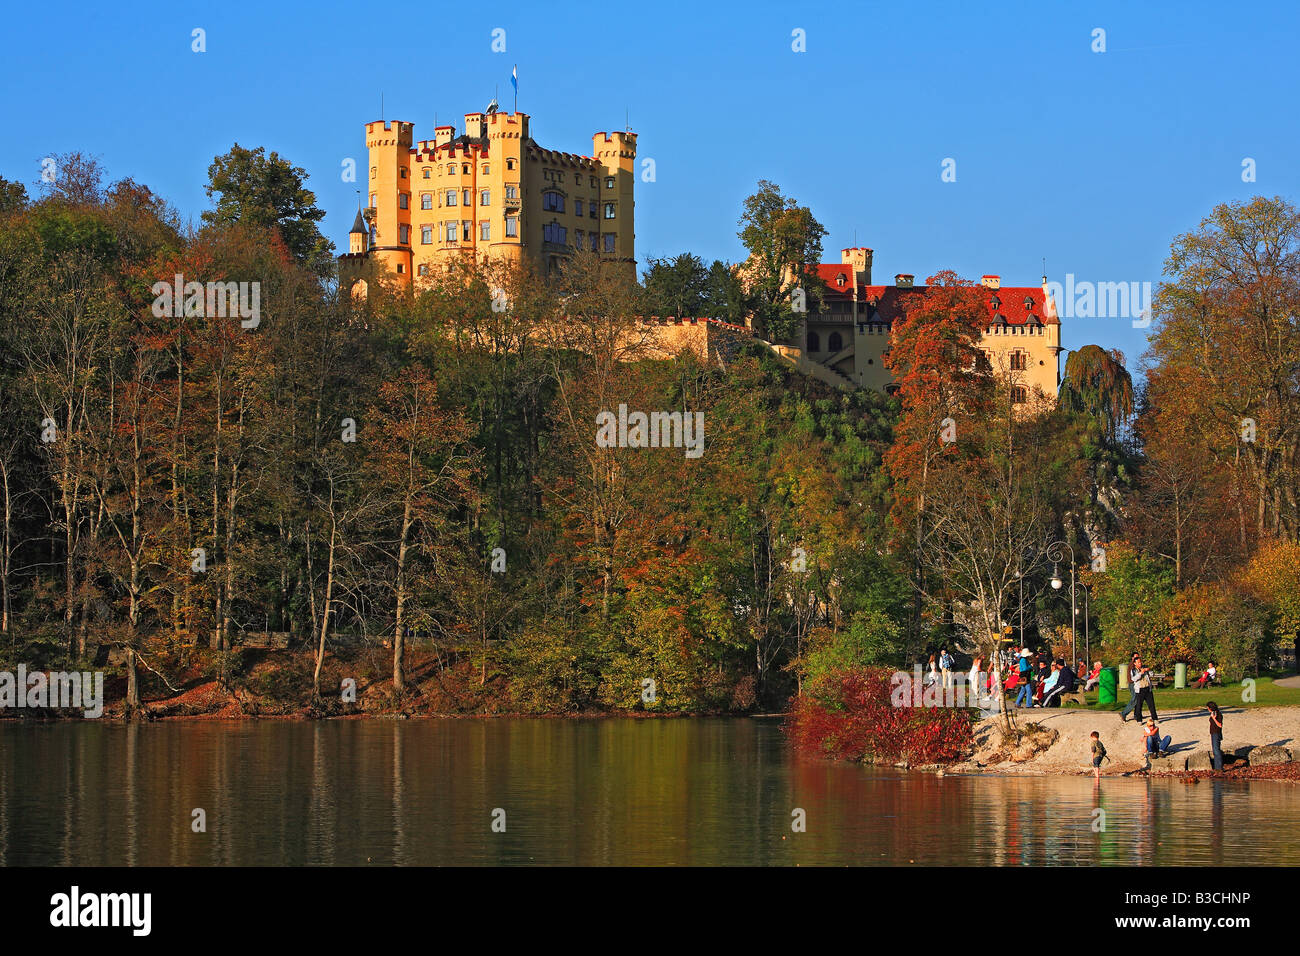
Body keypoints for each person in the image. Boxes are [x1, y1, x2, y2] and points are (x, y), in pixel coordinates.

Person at [1130, 655, 1159, 723]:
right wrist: (1140, 673)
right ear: (1135, 663)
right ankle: (1139, 719)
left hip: (1147, 688)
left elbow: (1152, 674)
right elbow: (1133, 679)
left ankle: (1155, 718)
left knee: (1151, 704)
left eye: (1140, 662)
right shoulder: (1133, 670)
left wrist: (1149, 670)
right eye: (1138, 662)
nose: (1140, 663)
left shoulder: (1144, 667)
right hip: (1140, 690)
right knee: (1139, 705)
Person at [1206, 701, 1224, 771]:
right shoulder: (1213, 713)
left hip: (1216, 733)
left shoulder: (1218, 714)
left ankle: (1219, 768)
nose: (1207, 709)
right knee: (1215, 750)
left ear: (1211, 708)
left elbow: (1220, 725)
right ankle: (1217, 767)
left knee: (1216, 750)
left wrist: (1213, 718)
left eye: (1208, 708)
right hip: (1213, 733)